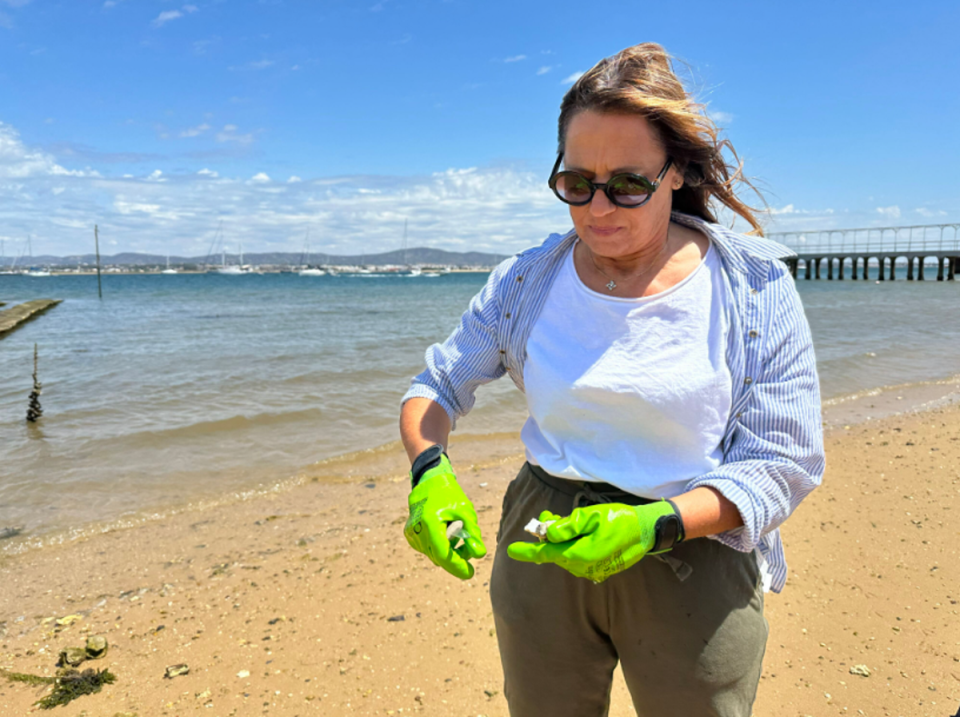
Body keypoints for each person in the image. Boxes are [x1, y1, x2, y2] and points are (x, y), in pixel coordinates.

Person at [399, 42, 824, 717]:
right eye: (576, 183)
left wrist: (658, 524)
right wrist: (429, 469)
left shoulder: (755, 287)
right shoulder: (524, 281)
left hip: (692, 543)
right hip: (543, 540)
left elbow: (784, 458)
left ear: (677, 171)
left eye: (627, 184)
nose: (598, 208)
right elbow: (437, 387)